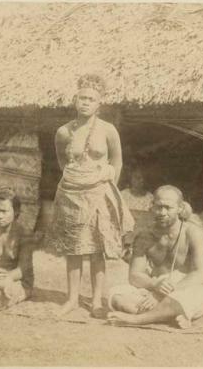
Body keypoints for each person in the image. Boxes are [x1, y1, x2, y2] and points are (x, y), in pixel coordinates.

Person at [48, 73, 134, 318]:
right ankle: (72, 299)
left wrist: (107, 190)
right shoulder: (64, 132)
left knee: (97, 249)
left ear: (99, 103)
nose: (85, 102)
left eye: (91, 99)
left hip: (99, 194)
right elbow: (62, 161)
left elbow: (117, 162)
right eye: (82, 98)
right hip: (72, 194)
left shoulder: (108, 130)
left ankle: (96, 301)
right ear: (75, 100)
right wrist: (78, 180)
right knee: (74, 248)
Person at [107, 185, 203, 328]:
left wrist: (164, 293)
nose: (162, 212)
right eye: (159, 207)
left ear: (180, 208)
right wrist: (155, 286)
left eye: (168, 208)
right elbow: (135, 276)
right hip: (154, 289)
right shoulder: (145, 236)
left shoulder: (193, 233)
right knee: (116, 295)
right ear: (152, 207)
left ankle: (137, 319)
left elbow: (201, 273)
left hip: (182, 289)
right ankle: (166, 315)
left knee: (202, 294)